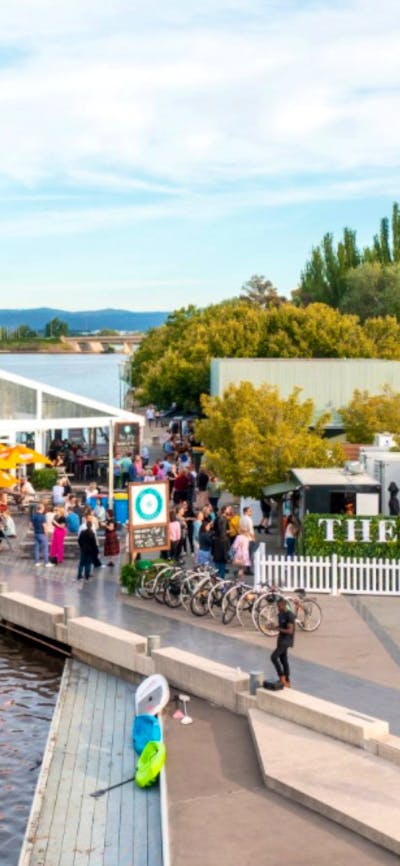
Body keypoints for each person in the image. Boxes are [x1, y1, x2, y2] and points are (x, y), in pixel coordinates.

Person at [268, 597, 295, 687]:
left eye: (279, 606)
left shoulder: (289, 615)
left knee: (273, 657)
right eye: (277, 606)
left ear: (284, 606)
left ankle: (282, 677)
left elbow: (290, 631)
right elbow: (281, 626)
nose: (278, 608)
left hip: (286, 640)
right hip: (281, 639)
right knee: (283, 660)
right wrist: (274, 627)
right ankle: (287, 681)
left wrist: (278, 628)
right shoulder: (280, 614)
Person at [76, 518, 99, 584]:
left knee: (81, 563)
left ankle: (79, 575)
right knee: (88, 563)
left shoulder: (82, 532)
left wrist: (81, 546)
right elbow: (94, 544)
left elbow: (79, 540)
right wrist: (96, 551)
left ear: (86, 525)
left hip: (83, 549)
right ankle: (87, 576)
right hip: (90, 550)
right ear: (91, 526)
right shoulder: (92, 534)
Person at [31, 503, 53, 568]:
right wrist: (47, 534)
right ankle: (46, 562)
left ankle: (37, 562)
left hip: (36, 533)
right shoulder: (42, 517)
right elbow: (44, 526)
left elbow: (31, 525)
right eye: (43, 508)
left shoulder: (33, 516)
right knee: (45, 549)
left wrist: (35, 528)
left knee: (36, 549)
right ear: (41, 509)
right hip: (42, 534)